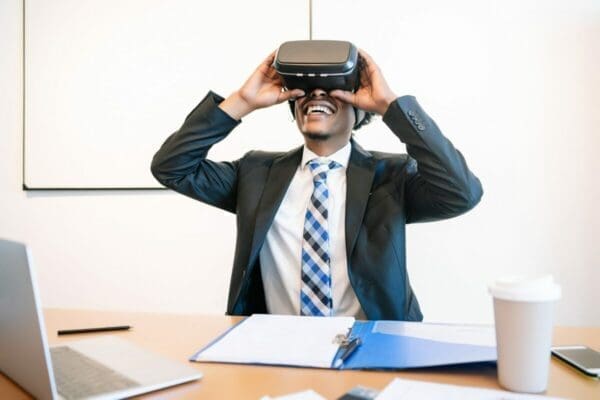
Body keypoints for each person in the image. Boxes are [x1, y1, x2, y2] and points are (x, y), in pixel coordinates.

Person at [151, 49, 483, 321]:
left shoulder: (391, 175)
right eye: (307, 92)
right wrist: (242, 101)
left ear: (360, 113)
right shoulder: (255, 173)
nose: (317, 95)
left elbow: (462, 193)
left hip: (373, 345)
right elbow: (172, 168)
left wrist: (390, 106)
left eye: (333, 90)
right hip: (275, 348)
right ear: (294, 107)